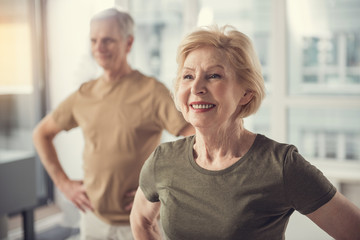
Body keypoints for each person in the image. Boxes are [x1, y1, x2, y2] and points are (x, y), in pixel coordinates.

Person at [130, 25, 360, 240]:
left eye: (214, 76)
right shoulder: (163, 160)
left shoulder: (281, 165)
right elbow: (141, 220)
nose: (196, 88)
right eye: (188, 76)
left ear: (246, 93)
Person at [32, 8, 194, 240]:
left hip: (142, 221)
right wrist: (64, 184)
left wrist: (163, 184)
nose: (99, 47)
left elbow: (196, 139)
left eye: (107, 40)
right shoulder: (83, 95)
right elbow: (41, 133)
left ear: (129, 43)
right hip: (92, 219)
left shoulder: (152, 91)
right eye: (94, 40)